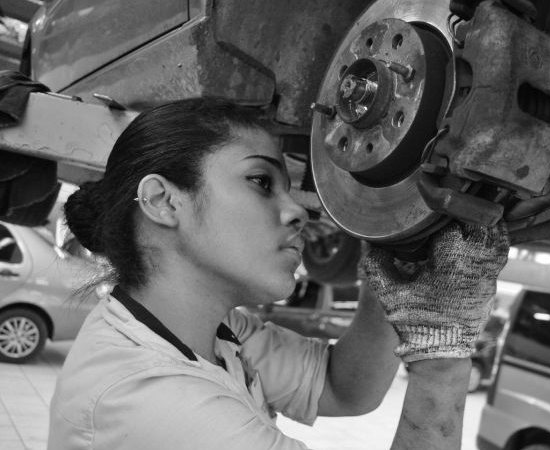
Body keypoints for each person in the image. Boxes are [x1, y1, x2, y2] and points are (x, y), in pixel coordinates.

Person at [48, 97, 508, 450]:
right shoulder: (151, 400)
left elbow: (343, 389)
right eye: (261, 182)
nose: (297, 212)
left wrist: (390, 274)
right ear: (164, 202)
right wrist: (442, 357)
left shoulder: (211, 331)